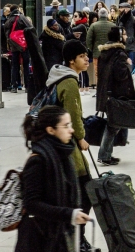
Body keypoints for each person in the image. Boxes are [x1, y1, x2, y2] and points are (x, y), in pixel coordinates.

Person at [16, 106, 91, 252]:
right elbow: (32, 203)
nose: (71, 130)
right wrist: (69, 214)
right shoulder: (38, 161)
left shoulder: (63, 154)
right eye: (66, 126)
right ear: (51, 130)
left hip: (58, 236)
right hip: (39, 240)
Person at [46, 39, 92, 250]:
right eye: (82, 57)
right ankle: (77, 238)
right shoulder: (70, 82)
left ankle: (76, 237)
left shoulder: (58, 77)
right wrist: (81, 137)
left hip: (58, 142)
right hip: (69, 145)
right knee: (85, 193)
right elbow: (74, 115)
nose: (87, 60)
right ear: (72, 61)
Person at [96, 27, 135, 166]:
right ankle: (104, 155)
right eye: (123, 34)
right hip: (117, 94)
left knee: (113, 123)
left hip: (105, 93)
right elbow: (121, 75)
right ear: (118, 37)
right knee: (113, 125)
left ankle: (107, 154)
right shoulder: (120, 54)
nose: (126, 36)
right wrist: (128, 65)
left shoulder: (104, 52)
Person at [86, 8, 115, 93]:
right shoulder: (112, 25)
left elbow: (88, 40)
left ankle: (100, 90)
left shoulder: (94, 26)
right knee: (109, 72)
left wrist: (92, 49)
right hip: (110, 53)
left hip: (97, 54)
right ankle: (109, 90)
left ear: (98, 15)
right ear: (107, 15)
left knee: (98, 73)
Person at [4, 5, 32, 93]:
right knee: (26, 65)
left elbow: (7, 33)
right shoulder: (22, 18)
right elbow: (30, 29)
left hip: (14, 46)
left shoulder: (9, 20)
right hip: (24, 45)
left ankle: (14, 86)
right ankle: (27, 86)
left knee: (14, 66)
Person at [118, 2, 135, 66]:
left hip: (131, 46)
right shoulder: (120, 19)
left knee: (131, 65)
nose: (120, 9)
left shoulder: (134, 19)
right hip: (122, 46)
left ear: (127, 9)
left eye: (121, 8)